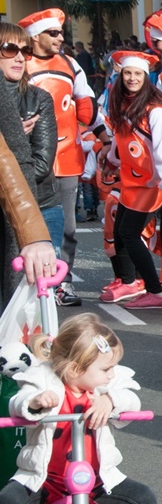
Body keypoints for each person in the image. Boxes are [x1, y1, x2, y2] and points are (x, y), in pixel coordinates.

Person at [1, 314, 162, 504]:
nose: (111, 374)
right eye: (106, 369)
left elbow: (131, 396)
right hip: (44, 482)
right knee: (6, 502)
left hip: (96, 480)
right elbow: (19, 402)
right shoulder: (42, 378)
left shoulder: (105, 387)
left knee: (144, 499)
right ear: (76, 369)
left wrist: (111, 401)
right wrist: (35, 402)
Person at [19, 9, 95, 308]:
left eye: (61, 32)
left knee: (67, 227)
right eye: (53, 33)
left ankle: (62, 282)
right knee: (24, 224)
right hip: (28, 158)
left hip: (66, 158)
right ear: (35, 36)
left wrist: (99, 136)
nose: (60, 38)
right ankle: (26, 282)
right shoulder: (21, 63)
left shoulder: (70, 63)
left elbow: (86, 104)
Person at [103, 51, 162, 309]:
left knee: (129, 233)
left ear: (146, 77)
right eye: (127, 73)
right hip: (130, 182)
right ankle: (130, 282)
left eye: (137, 74)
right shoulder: (123, 104)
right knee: (120, 232)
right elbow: (119, 141)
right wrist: (111, 162)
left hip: (150, 184)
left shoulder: (156, 111)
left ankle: (155, 291)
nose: (132, 78)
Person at [0, 26, 59, 304]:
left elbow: (37, 163)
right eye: (10, 49)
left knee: (26, 300)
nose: (19, 57)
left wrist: (14, 141)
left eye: (25, 51)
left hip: (37, 203)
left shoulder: (37, 98)